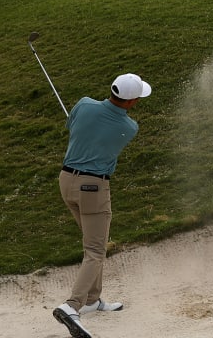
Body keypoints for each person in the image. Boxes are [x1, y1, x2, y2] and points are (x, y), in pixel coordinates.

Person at [53, 73, 151, 338]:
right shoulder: (129, 128)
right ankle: (71, 306)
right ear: (130, 101)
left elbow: (72, 128)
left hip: (66, 182)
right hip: (93, 188)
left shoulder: (83, 104)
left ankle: (92, 300)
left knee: (92, 244)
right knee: (95, 250)